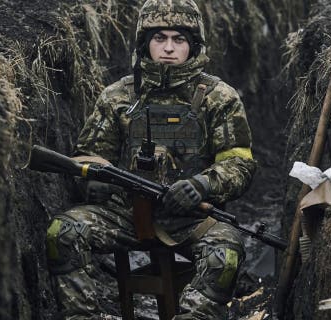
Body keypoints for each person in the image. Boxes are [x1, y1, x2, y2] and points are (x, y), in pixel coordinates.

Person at [45, 0, 257, 319]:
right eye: (159, 38)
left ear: (193, 44)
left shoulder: (219, 97)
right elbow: (88, 156)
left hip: (191, 218)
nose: (168, 48)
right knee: (62, 232)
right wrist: (97, 182)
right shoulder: (119, 95)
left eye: (179, 39)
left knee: (225, 255)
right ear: (145, 43)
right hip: (125, 212)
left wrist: (201, 185)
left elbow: (239, 162)